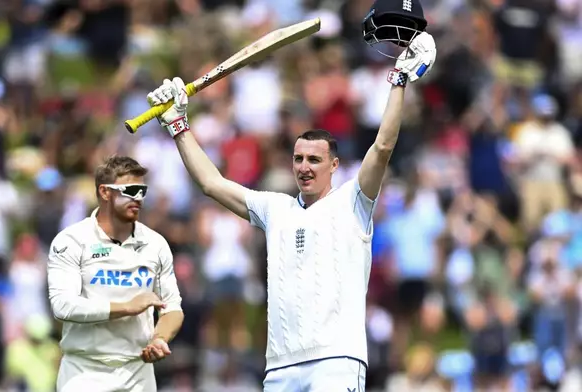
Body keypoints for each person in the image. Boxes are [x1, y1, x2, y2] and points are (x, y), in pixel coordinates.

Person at [146, 27, 437, 392]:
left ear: (334, 166)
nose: (304, 166)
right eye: (298, 158)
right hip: (281, 366)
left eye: (315, 159)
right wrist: (178, 126)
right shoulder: (276, 208)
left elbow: (381, 147)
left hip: (336, 360)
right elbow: (212, 184)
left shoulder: (353, 201)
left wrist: (398, 82)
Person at [47, 155, 184, 392]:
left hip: (137, 372)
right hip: (84, 371)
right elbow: (63, 306)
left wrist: (159, 338)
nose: (138, 199)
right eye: (130, 190)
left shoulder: (155, 243)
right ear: (105, 192)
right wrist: (126, 307)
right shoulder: (71, 240)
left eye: (142, 191)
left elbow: (172, 308)